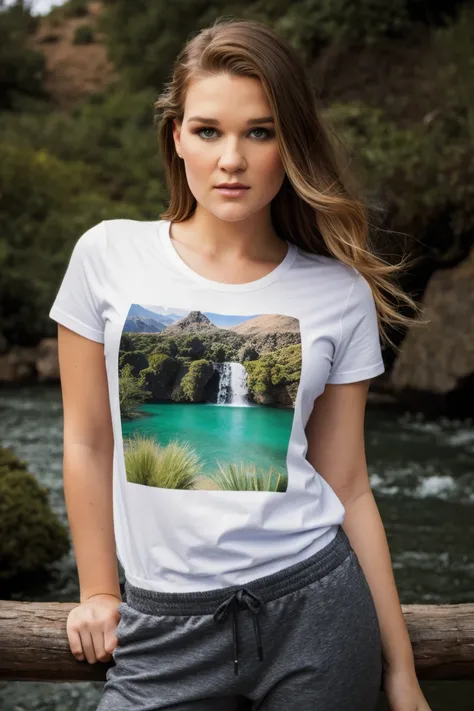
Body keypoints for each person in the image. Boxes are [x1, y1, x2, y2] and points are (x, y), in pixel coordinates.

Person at [49, 17, 432, 711]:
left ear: (290, 145)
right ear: (176, 137)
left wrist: (401, 671)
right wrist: (99, 589)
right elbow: (87, 439)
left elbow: (348, 485)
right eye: (208, 130)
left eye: (259, 131)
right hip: (163, 626)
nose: (232, 158)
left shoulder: (338, 290)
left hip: (316, 609)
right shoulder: (106, 256)